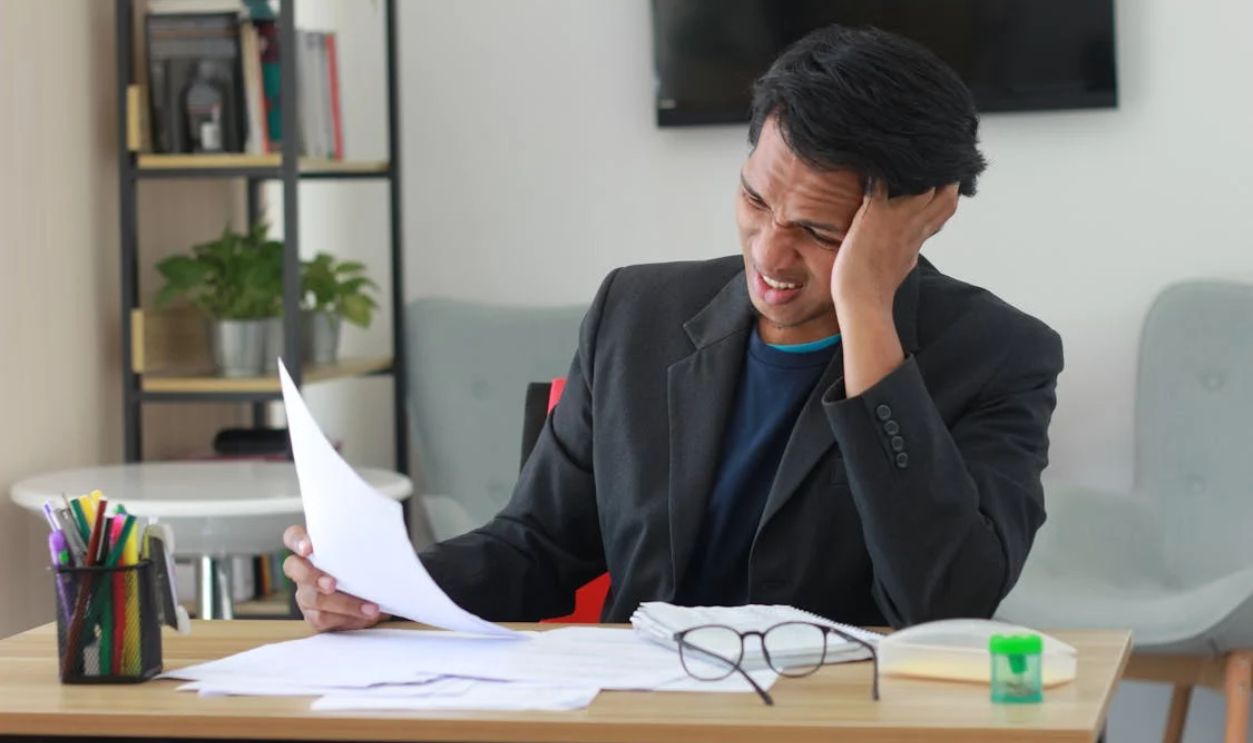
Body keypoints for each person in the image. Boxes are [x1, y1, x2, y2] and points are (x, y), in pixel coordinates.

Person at [282, 24, 1063, 632]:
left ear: (913, 222)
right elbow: (542, 546)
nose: (769, 254)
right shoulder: (636, 313)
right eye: (756, 202)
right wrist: (384, 587)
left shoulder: (998, 357)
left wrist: (865, 309)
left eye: (820, 234)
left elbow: (942, 604)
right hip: (640, 717)